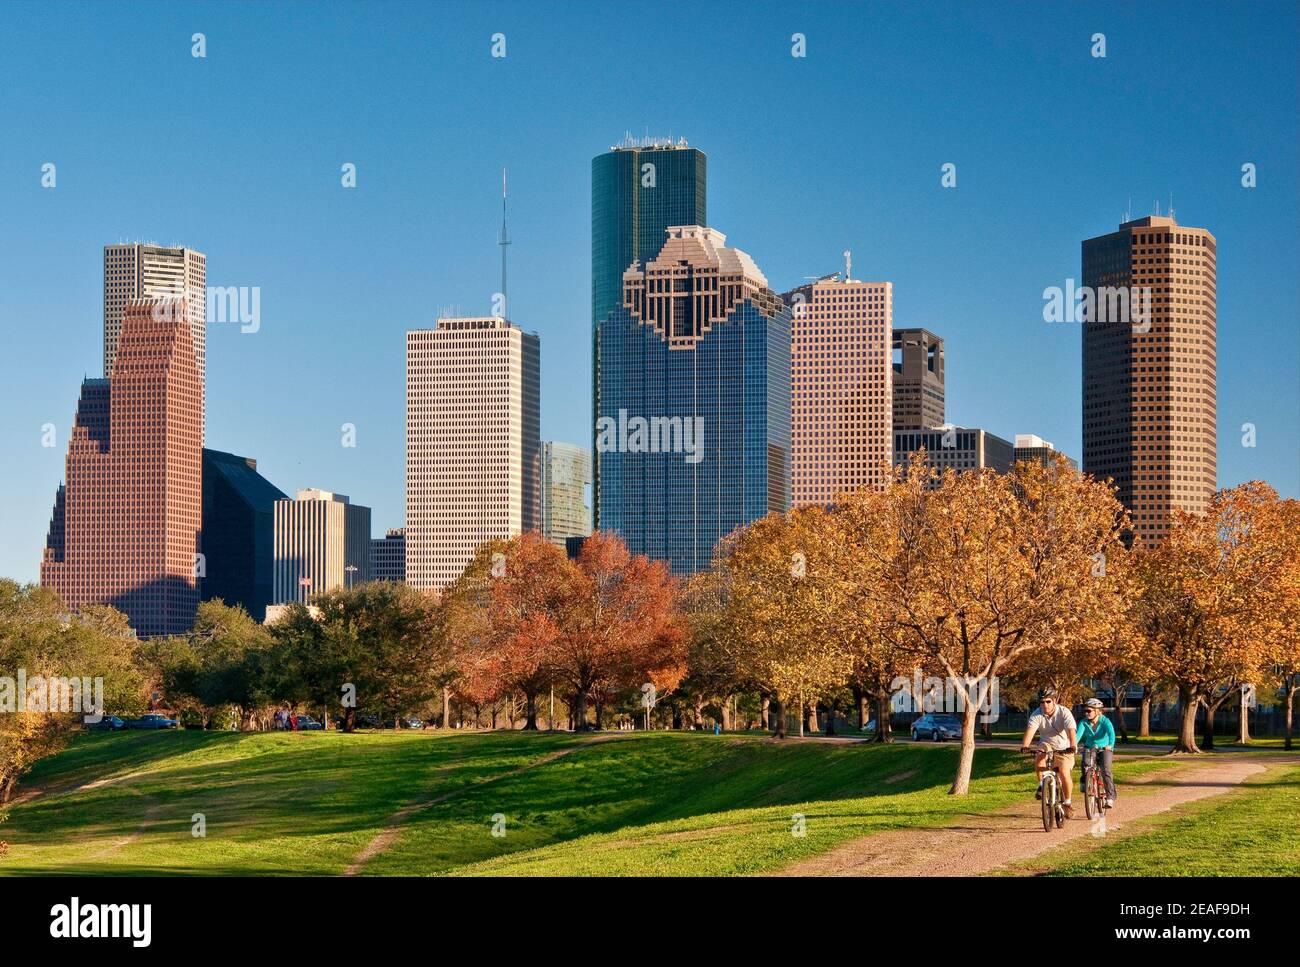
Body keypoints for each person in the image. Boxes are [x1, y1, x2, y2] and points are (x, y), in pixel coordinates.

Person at [1020, 687, 1078, 818]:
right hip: (1046, 745)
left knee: (1064, 773)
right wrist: (1025, 745)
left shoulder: (1064, 712)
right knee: (1040, 753)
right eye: (1042, 702)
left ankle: (1067, 803)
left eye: (1048, 701)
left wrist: (1073, 745)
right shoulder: (1036, 714)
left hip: (1064, 747)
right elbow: (1030, 731)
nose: (1044, 705)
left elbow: (1071, 730)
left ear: (1054, 701)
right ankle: (1042, 786)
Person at [1076, 697, 1117, 807]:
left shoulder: (1105, 721)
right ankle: (1084, 780)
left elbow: (1111, 734)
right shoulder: (1084, 723)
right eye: (1085, 711)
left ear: (1097, 711)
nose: (1086, 713)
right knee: (1086, 763)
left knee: (1106, 770)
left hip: (1105, 748)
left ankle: (1110, 797)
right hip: (1090, 747)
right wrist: (1072, 746)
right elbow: (1077, 736)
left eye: (1089, 711)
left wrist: (1110, 745)